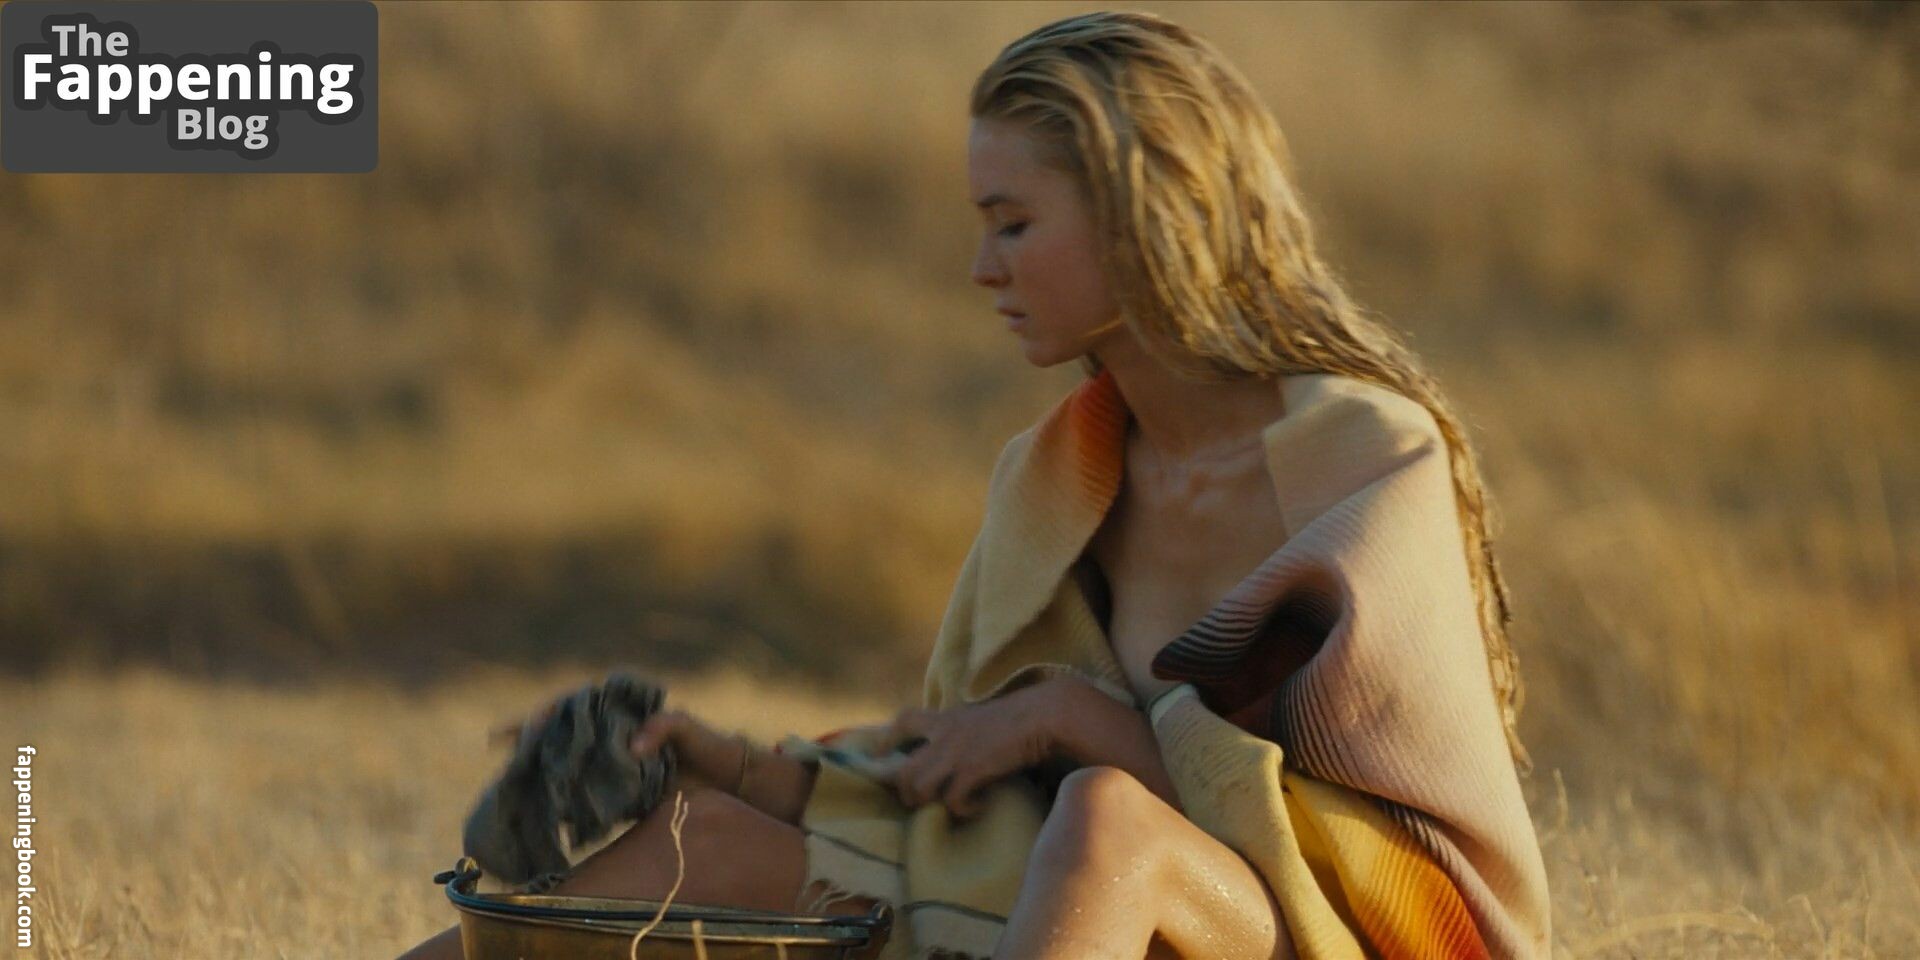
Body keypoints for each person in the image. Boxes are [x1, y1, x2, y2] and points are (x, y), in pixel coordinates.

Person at [399, 10, 1549, 960]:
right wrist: (726, 762)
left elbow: (1380, 856)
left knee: (1105, 822)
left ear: (1147, 213)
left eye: (1013, 224)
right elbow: (955, 779)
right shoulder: (1052, 478)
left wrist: (1069, 723)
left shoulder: (1365, 459)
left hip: (1332, 936)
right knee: (704, 837)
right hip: (1078, 919)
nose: (981, 267)